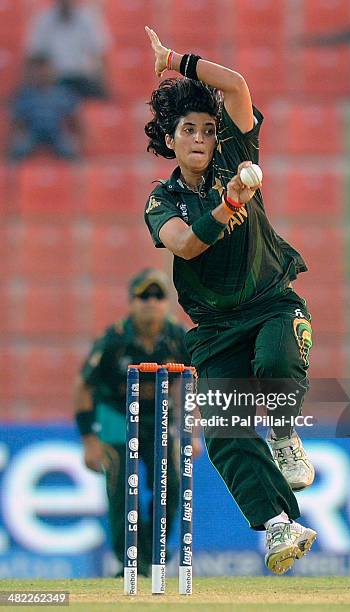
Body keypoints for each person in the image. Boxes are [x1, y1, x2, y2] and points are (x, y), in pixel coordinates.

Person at [143, 26, 317, 575]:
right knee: (224, 431)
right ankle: (278, 526)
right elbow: (185, 244)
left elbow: (237, 87)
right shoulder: (162, 197)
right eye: (187, 130)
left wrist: (174, 60)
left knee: (276, 361)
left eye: (208, 130)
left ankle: (285, 429)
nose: (199, 138)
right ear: (170, 139)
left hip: (270, 302)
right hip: (215, 329)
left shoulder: (234, 157)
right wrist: (224, 208)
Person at [74, 269, 193, 576]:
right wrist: (89, 441)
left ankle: (154, 556)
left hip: (159, 416)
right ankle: (129, 560)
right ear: (131, 303)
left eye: (158, 296)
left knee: (172, 483)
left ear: (166, 303)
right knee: (121, 487)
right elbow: (83, 387)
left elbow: (193, 382)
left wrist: (191, 431)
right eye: (143, 297)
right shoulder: (114, 339)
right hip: (117, 417)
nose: (150, 303)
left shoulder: (179, 337)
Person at [26, 0, 111, 99]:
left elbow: (99, 52)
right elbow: (34, 55)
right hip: (54, 80)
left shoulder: (88, 18)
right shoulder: (43, 19)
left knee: (102, 98)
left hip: (82, 78)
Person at [8, 54, 81, 161]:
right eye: (39, 71)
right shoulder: (25, 94)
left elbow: (74, 119)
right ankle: (11, 176)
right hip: (32, 132)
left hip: (57, 132)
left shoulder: (63, 93)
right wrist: (19, 135)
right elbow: (18, 120)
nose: (43, 74)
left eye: (46, 70)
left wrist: (74, 136)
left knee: (71, 149)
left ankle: (79, 176)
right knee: (18, 149)